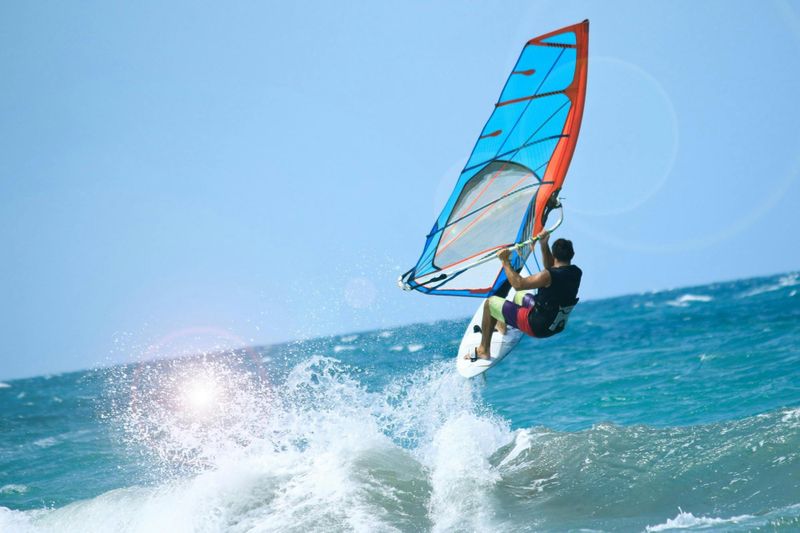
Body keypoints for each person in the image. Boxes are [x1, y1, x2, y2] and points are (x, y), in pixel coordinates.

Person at [466, 230, 582, 361]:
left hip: (537, 326)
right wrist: (544, 244)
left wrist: (505, 261)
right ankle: (502, 326)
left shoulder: (548, 276)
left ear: (554, 255)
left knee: (490, 303)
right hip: (556, 324)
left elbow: (518, 284)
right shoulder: (576, 272)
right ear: (572, 254)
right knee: (519, 296)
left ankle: (483, 350)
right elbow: (553, 268)